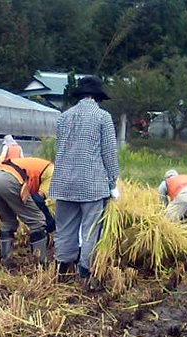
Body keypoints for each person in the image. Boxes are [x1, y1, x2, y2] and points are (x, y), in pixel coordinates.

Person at [50, 76, 119, 285]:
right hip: (92, 183)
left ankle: (62, 268)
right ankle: (84, 271)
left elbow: (59, 149)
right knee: (90, 230)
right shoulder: (102, 117)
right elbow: (109, 153)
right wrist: (113, 181)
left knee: (64, 229)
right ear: (98, 98)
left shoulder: (64, 117)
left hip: (63, 182)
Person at [0, 157, 55, 267]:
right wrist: (50, 222)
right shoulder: (53, 172)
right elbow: (38, 199)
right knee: (37, 221)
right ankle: (40, 263)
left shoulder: (40, 165)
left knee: (8, 221)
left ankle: (6, 259)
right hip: (9, 180)